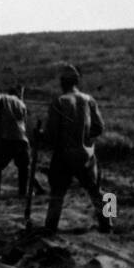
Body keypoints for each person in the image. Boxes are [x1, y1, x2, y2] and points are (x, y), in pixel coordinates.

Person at [43, 64, 110, 234]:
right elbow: (99, 127)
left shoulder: (59, 102)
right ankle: (108, 224)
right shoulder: (89, 100)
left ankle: (50, 228)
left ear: (63, 82)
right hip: (86, 155)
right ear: (76, 81)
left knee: (57, 194)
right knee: (98, 192)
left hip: (64, 156)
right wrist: (86, 139)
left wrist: (41, 136)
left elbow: (51, 134)